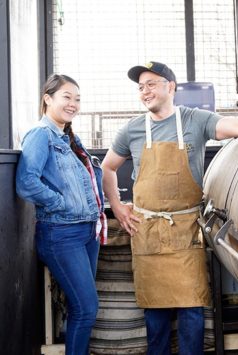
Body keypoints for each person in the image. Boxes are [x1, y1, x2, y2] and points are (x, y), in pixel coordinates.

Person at [101, 61, 238, 355]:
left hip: (186, 230)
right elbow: (108, 168)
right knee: (155, 313)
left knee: (191, 309)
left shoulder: (195, 120)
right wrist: (117, 206)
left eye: (151, 84)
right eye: (141, 87)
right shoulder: (132, 130)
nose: (145, 91)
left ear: (171, 87)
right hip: (147, 231)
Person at [16, 74, 107, 355]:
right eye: (66, 97)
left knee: (80, 307)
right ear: (48, 99)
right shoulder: (40, 135)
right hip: (61, 233)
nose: (73, 104)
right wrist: (60, 202)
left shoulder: (69, 137)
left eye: (77, 99)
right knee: (87, 308)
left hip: (86, 232)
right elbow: (26, 181)